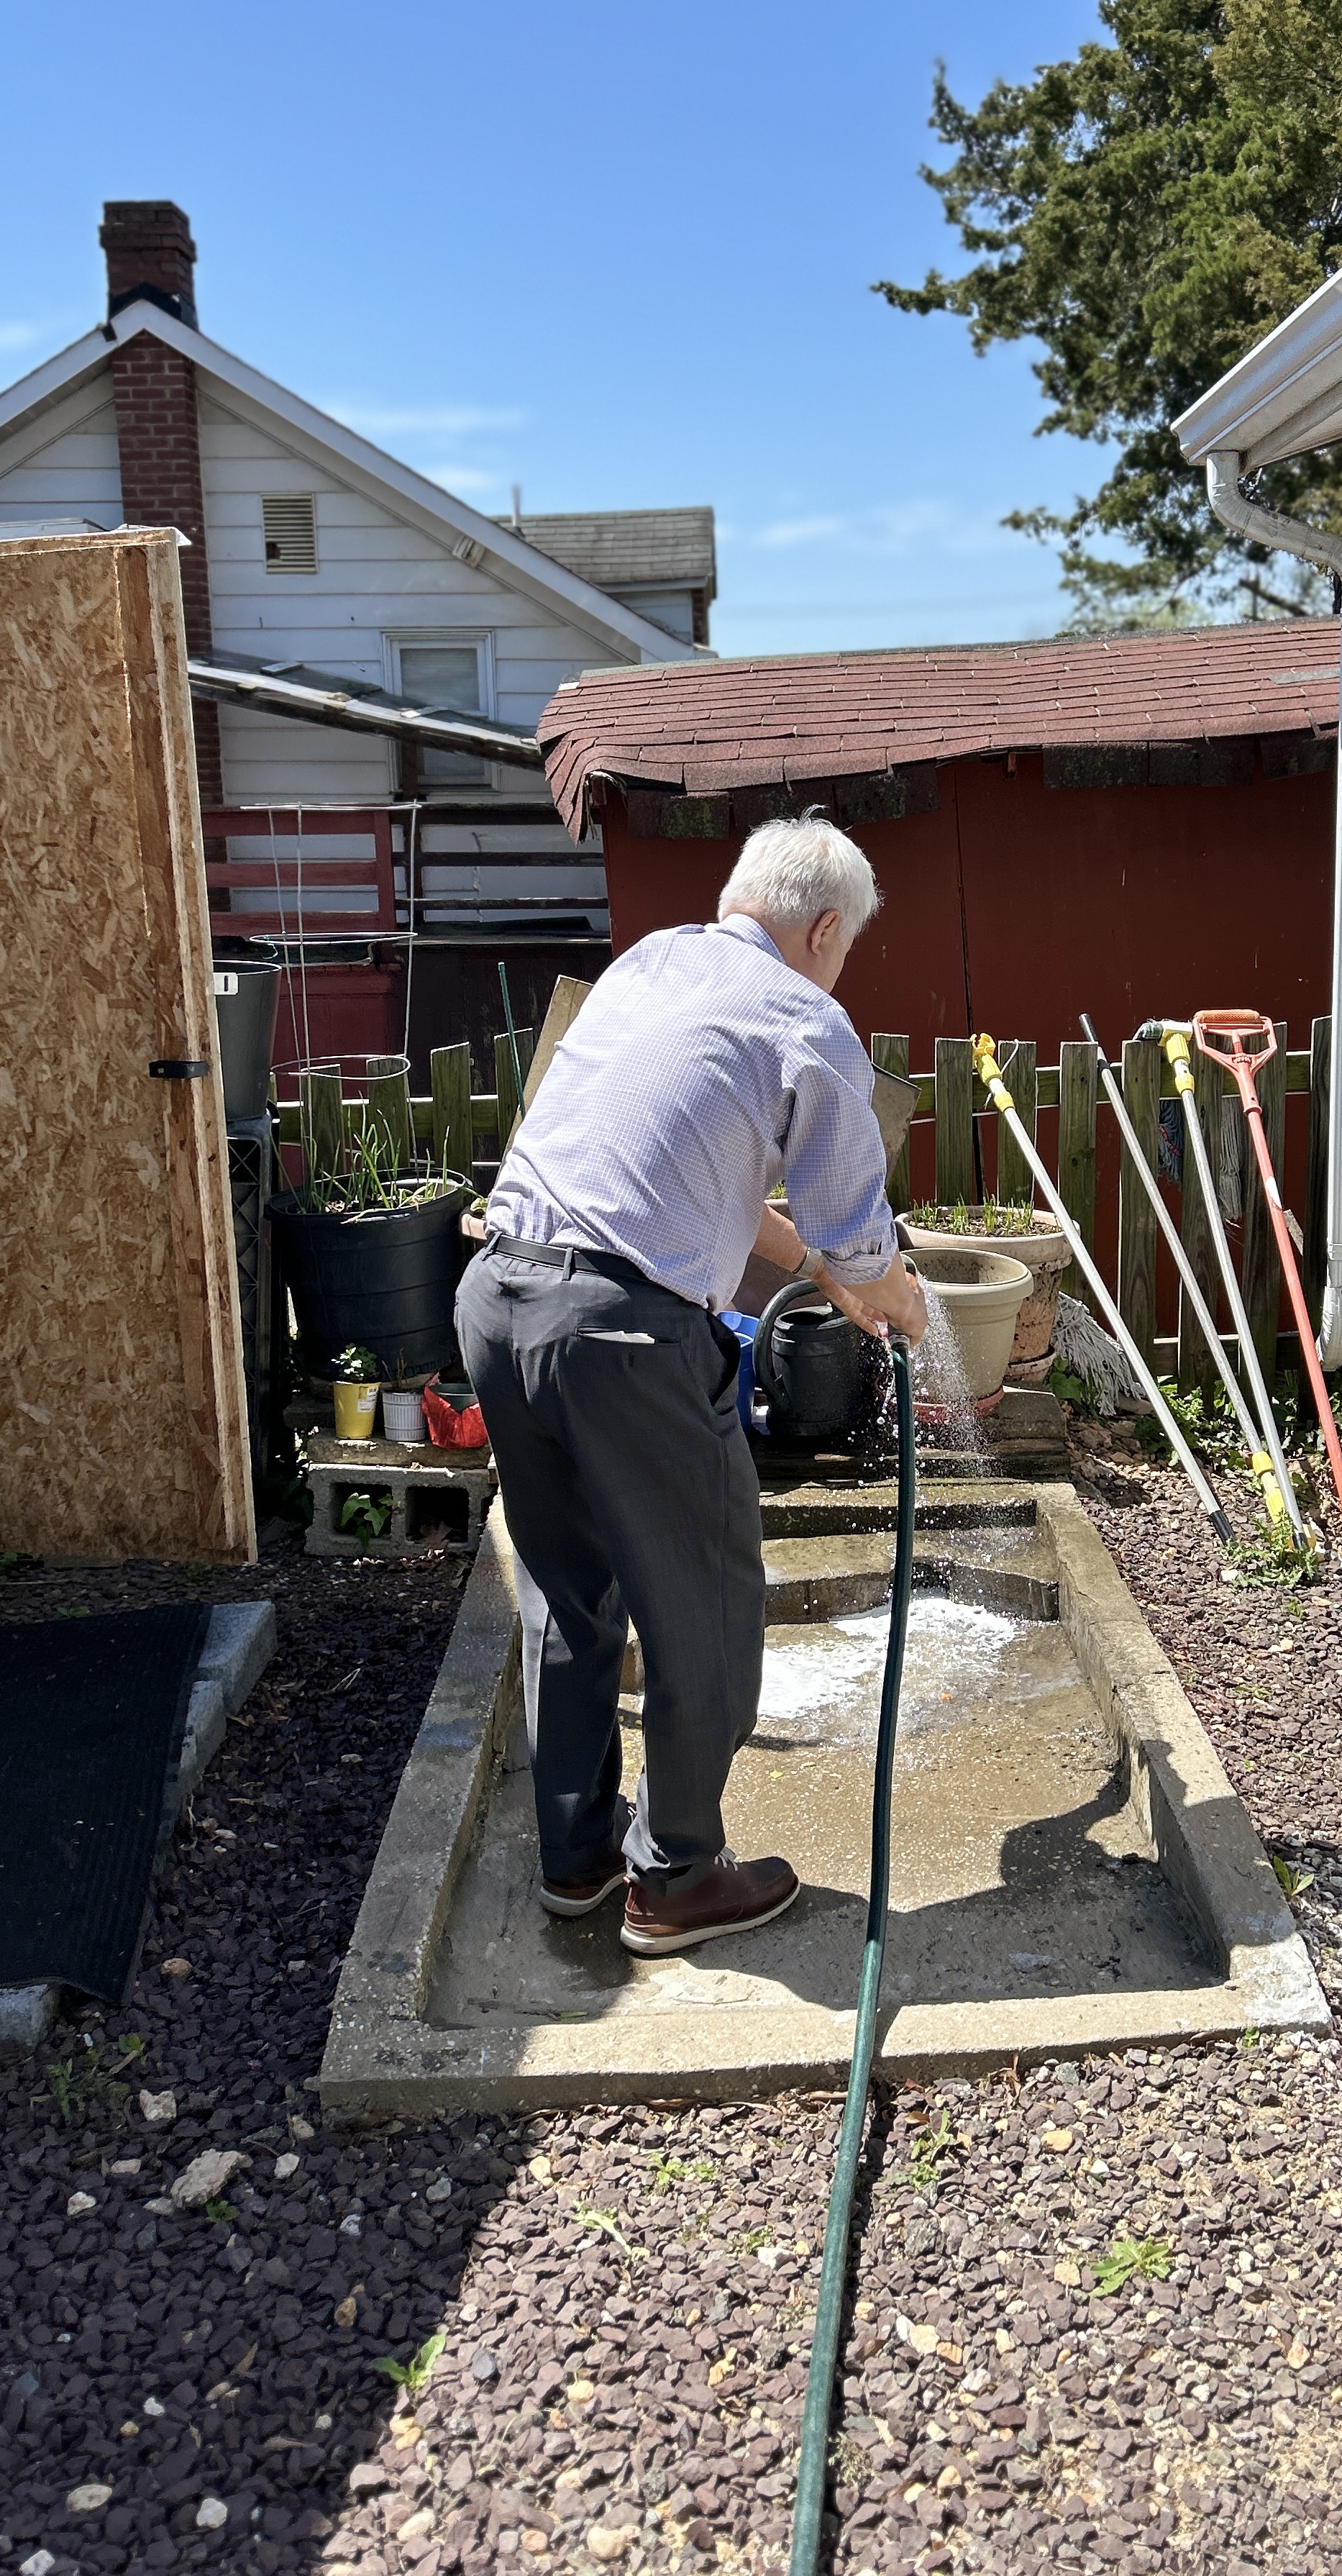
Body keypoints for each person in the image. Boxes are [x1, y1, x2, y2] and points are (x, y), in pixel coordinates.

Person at [455, 816, 929, 1958]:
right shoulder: (805, 1020)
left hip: (500, 1298)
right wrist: (898, 1297)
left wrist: (817, 1265)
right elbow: (862, 1239)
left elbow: (686, 1175)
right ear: (826, 929)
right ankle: (675, 1877)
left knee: (569, 1593)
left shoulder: (653, 966)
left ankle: (576, 1859)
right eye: (848, 946)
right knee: (705, 1604)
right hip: (621, 1337)